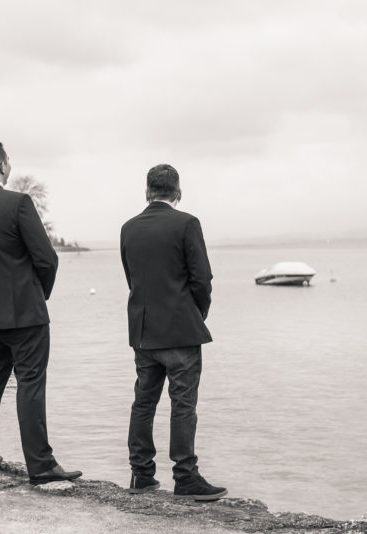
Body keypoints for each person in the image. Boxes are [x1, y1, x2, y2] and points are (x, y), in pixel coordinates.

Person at [0, 140, 81, 484]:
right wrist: (39, 294)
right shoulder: (18, 202)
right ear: (3, 166)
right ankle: (41, 465)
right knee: (30, 384)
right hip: (24, 313)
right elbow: (47, 258)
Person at [120, 164, 226, 500]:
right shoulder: (187, 223)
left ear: (147, 192)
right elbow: (202, 279)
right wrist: (198, 313)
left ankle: (141, 474)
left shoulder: (128, 228)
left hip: (143, 330)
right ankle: (185, 476)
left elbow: (132, 277)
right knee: (183, 404)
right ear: (178, 192)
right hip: (180, 330)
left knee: (144, 402)